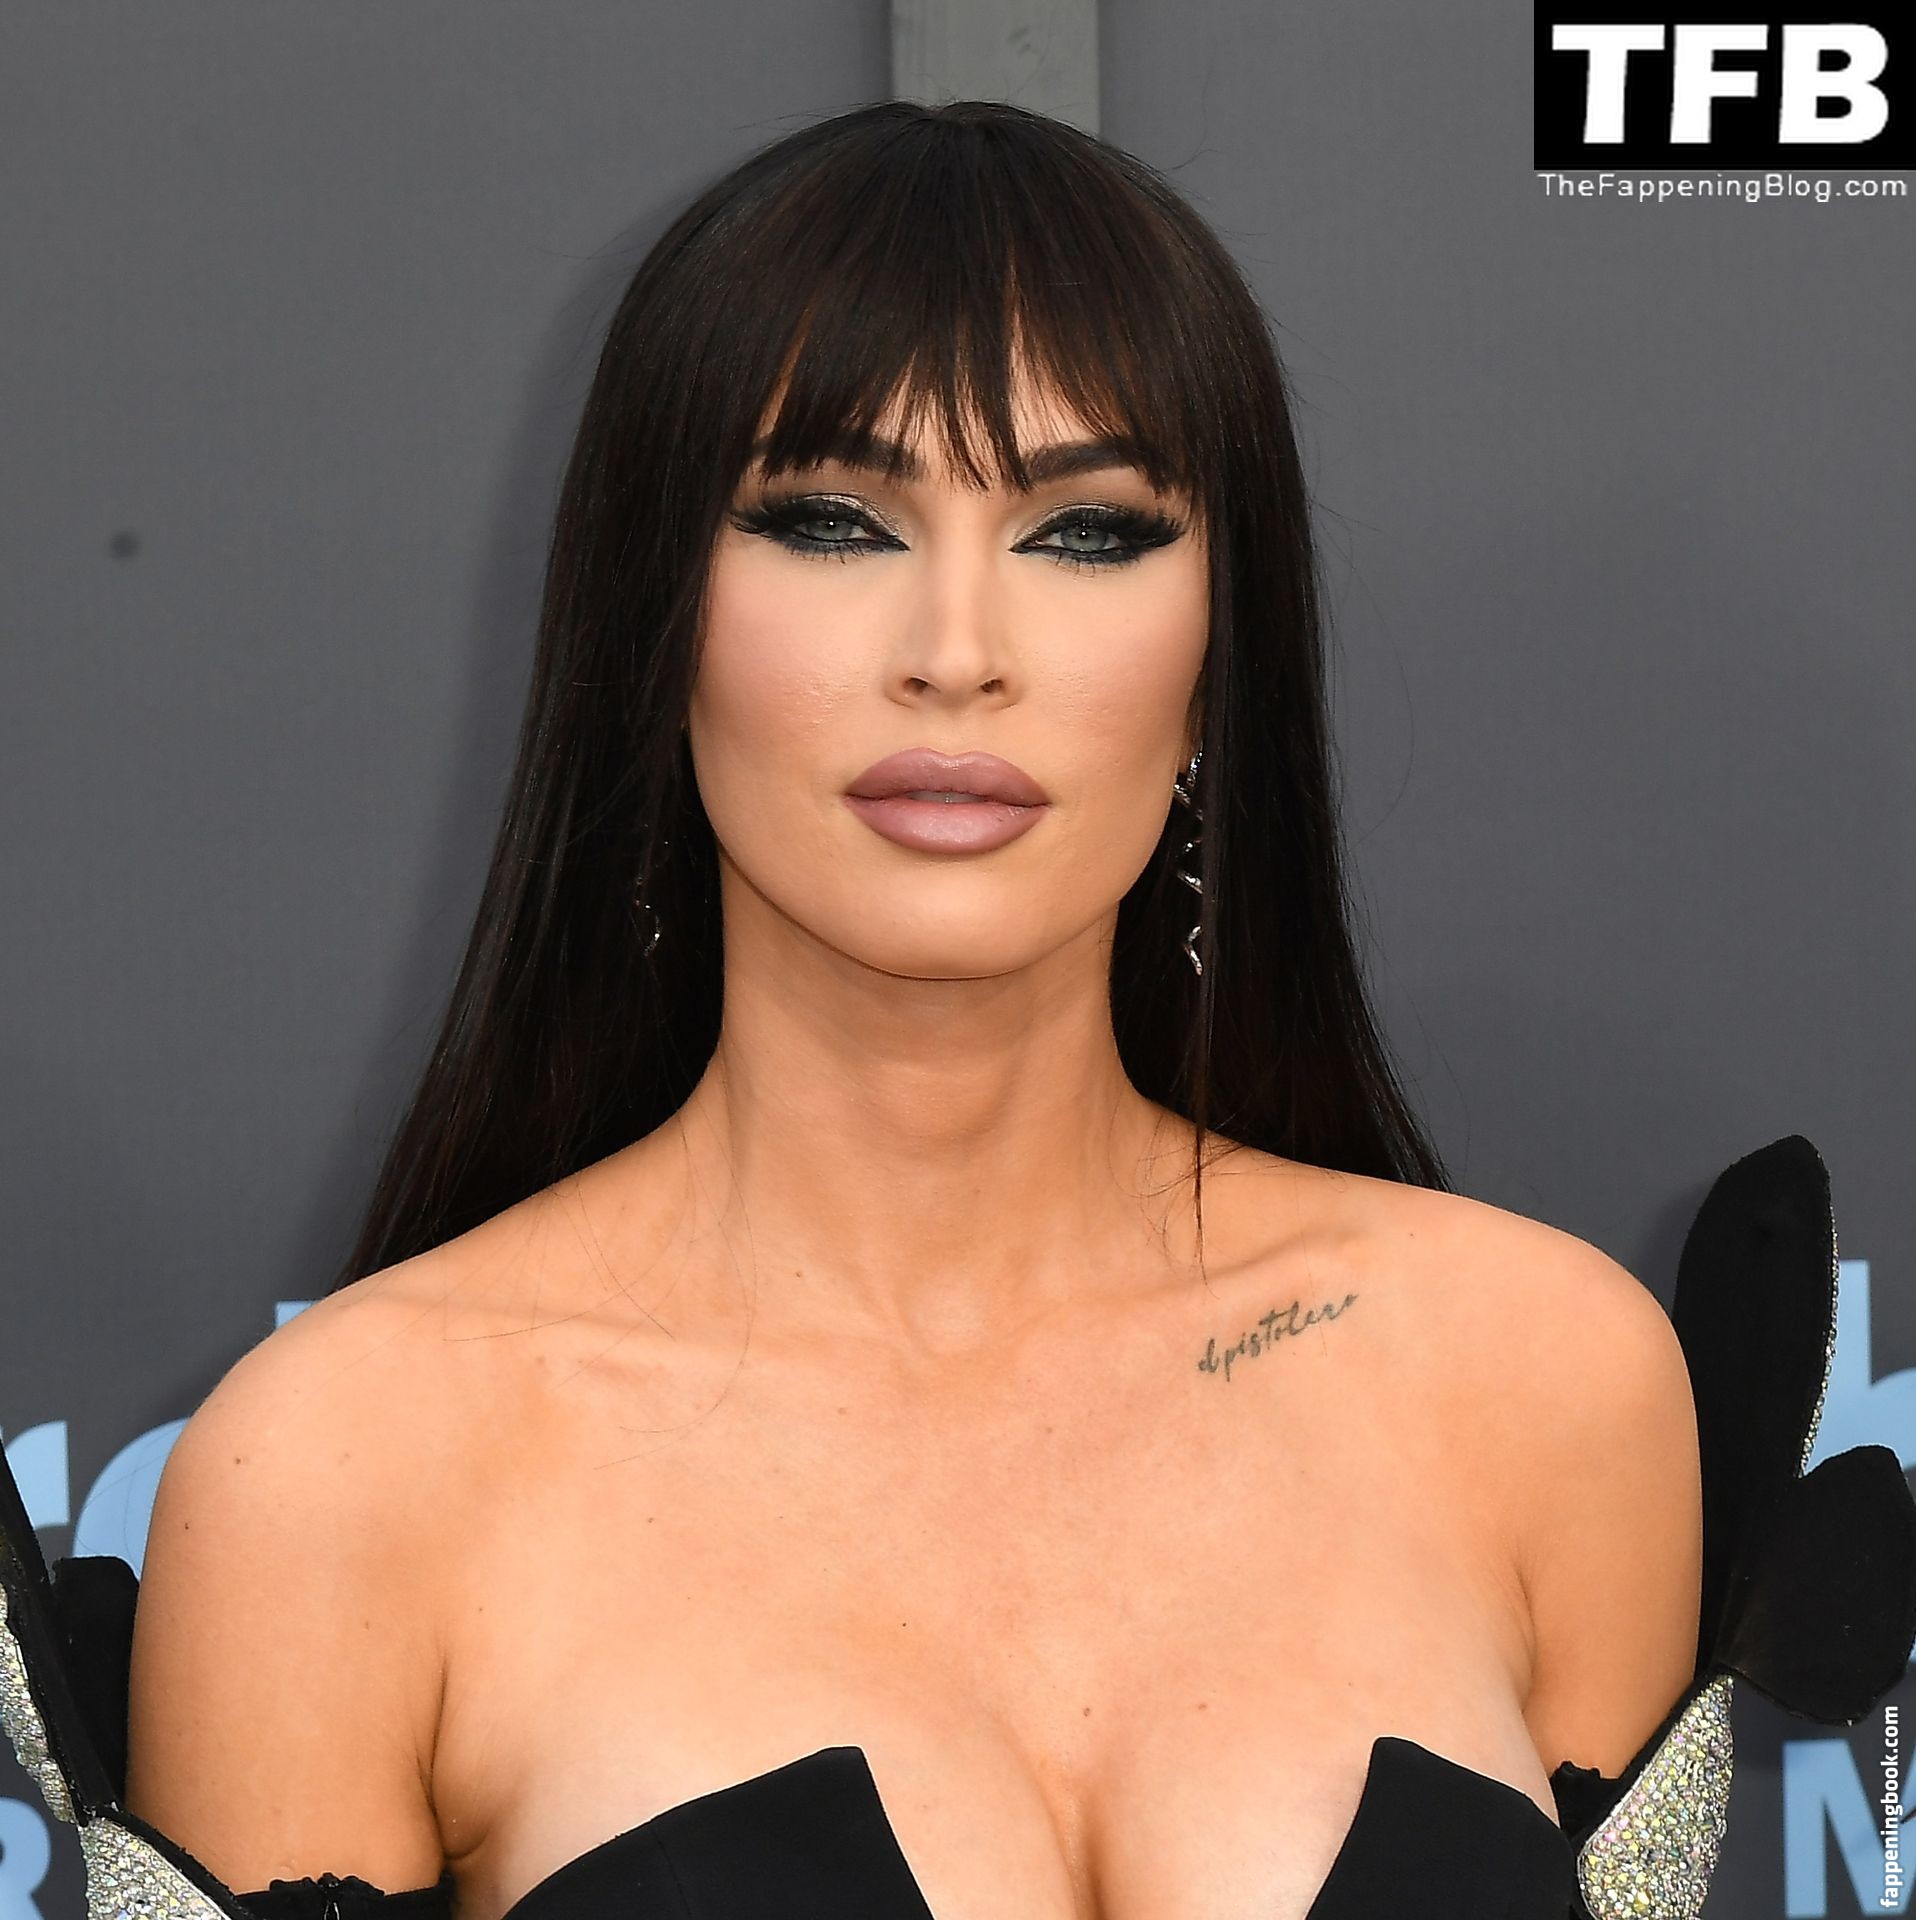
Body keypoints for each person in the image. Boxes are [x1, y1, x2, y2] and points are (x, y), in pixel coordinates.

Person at [1, 99, 1911, 1920]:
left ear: (1218, 655)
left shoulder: (1541, 1380)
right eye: (833, 520)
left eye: (1088, 532)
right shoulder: (346, 1475)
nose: (957, 653)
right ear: (652, 620)